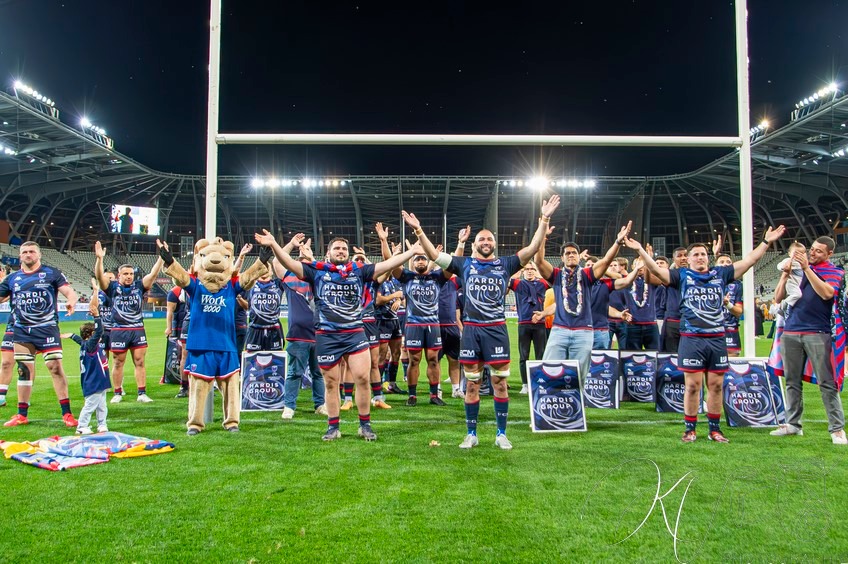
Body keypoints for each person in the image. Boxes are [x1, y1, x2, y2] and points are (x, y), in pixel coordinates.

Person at [403, 194, 561, 450]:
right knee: (473, 383)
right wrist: (418, 230)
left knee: (499, 382)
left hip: (497, 330)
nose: (486, 242)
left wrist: (544, 219)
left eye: (490, 239)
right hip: (472, 331)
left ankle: (501, 434)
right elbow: (433, 254)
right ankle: (471, 433)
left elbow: (532, 248)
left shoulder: (507, 264)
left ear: (494, 244)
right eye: (482, 239)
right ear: (475, 244)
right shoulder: (464, 264)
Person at [255, 230, 423, 442]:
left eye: (344, 248)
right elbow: (288, 263)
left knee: (362, 379)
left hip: (354, 333)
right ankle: (333, 427)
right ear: (328, 253)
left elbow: (387, 265)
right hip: (327, 336)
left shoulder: (358, 271)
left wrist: (412, 252)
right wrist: (274, 245)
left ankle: (365, 425)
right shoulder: (316, 271)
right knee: (331, 383)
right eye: (337, 248)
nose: (341, 251)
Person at [625, 224, 785, 443]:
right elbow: (655, 271)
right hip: (691, 339)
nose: (700, 257)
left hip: (716, 338)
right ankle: (690, 429)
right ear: (688, 259)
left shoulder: (721, 274)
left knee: (716, 385)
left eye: (703, 254)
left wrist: (766, 242)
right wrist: (641, 251)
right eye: (695, 255)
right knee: (692, 386)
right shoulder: (680, 276)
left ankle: (714, 429)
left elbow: (749, 261)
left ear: (707, 258)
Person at [771, 236, 847, 445]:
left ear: (829, 254)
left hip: (818, 331)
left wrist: (807, 270)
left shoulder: (834, 272)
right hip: (791, 330)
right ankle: (793, 425)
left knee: (827, 383)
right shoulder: (795, 268)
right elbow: (777, 299)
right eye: (812, 249)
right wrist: (784, 277)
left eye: (818, 251)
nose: (812, 254)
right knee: (792, 382)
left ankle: (837, 429)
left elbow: (826, 294)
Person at [535, 222, 633, 382]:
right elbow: (539, 261)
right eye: (567, 253)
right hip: (559, 330)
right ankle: (553, 402)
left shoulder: (588, 274)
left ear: (579, 256)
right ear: (562, 258)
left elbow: (606, 260)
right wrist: (543, 235)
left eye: (574, 253)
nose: (571, 255)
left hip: (584, 331)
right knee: (549, 370)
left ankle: (574, 405)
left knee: (580, 376)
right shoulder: (557, 275)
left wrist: (617, 242)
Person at [0, 241, 79, 428]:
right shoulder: (12, 279)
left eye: (32, 251)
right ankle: (21, 414)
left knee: (55, 367)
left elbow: (69, 291)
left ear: (39, 254)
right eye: (25, 252)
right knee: (24, 371)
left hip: (47, 328)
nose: (28, 254)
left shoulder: (52, 273)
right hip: (21, 330)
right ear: (20, 256)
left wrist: (72, 301)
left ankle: (67, 414)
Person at [94, 241, 165, 403]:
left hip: (137, 329)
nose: (129, 276)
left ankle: (142, 393)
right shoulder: (111, 288)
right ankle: (118, 393)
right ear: (119, 276)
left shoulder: (139, 286)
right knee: (118, 362)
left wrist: (162, 257)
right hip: (118, 330)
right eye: (125, 274)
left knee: (140, 361)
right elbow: (99, 277)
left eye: (131, 274)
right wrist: (99, 260)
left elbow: (153, 275)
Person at [274, 238, 327, 419]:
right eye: (301, 264)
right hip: (298, 336)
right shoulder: (288, 278)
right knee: (294, 373)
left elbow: (325, 271)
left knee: (318, 373)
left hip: (319, 334)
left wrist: (310, 256)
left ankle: (320, 404)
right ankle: (289, 405)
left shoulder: (319, 280)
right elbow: (276, 262)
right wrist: (291, 244)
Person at [62, 290, 110, 435]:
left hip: (99, 381)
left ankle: (102, 424)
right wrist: (97, 316)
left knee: (102, 405)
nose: (99, 337)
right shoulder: (91, 345)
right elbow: (99, 330)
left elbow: (79, 340)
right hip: (94, 381)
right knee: (90, 405)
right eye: (95, 335)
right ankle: (82, 426)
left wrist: (72, 335)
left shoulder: (85, 345)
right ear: (90, 336)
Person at [509, 262, 549, 394]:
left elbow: (552, 279)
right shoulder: (518, 284)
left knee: (541, 355)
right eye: (527, 269)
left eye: (532, 269)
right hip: (524, 323)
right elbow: (506, 280)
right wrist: (517, 271)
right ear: (523, 271)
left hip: (540, 323)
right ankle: (525, 384)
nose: (530, 271)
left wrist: (540, 270)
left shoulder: (543, 283)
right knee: (523, 356)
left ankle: (539, 382)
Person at [715, 253, 743, 356]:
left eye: (728, 262)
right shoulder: (707, 281)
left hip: (730, 330)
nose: (725, 264)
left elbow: (739, 312)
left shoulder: (737, 285)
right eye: (721, 262)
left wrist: (727, 304)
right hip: (711, 329)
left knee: (731, 364)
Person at [661, 247, 688, 353]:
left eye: (685, 255)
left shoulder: (696, 275)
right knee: (671, 355)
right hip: (673, 320)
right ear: (674, 259)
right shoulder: (670, 275)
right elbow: (651, 279)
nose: (683, 258)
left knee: (690, 354)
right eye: (679, 256)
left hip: (690, 321)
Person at [776, 241, 805, 321]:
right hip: (791, 283)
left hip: (797, 284)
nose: (798, 256)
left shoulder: (803, 264)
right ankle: (784, 306)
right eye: (795, 253)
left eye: (801, 253)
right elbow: (779, 265)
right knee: (797, 295)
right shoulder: (789, 261)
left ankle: (785, 307)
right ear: (789, 253)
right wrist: (784, 268)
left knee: (798, 294)